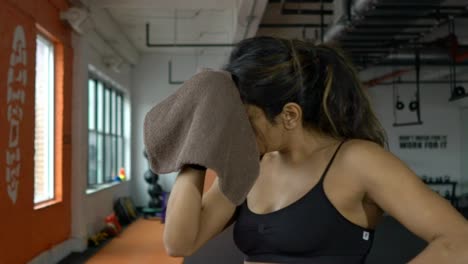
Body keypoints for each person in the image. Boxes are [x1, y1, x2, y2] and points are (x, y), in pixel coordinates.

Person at [163, 36, 468, 264]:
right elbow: (180, 243)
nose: (234, 132)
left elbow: (459, 241)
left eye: (244, 119)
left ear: (290, 115)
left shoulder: (358, 161)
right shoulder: (249, 166)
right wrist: (195, 150)